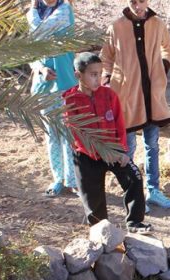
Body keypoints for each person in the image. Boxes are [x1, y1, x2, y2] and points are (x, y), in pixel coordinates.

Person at [100, 0, 170, 213]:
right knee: (129, 146)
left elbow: (168, 48)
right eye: (132, 2)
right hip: (126, 96)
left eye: (141, 1)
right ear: (126, 2)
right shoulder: (116, 27)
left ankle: (153, 191)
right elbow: (106, 57)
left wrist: (162, 69)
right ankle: (133, 193)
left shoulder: (157, 24)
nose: (138, 6)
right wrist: (108, 82)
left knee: (152, 144)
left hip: (152, 95)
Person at [63, 52, 151, 233]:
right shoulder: (70, 100)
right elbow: (77, 133)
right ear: (78, 75)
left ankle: (135, 222)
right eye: (93, 74)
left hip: (113, 150)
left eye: (100, 73)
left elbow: (119, 124)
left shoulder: (109, 95)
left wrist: (121, 151)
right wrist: (100, 151)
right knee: (93, 199)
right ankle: (101, 232)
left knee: (134, 177)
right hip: (86, 155)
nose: (98, 79)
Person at [27, 0, 79, 197]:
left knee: (68, 132)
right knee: (52, 133)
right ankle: (58, 178)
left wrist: (30, 12)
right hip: (44, 86)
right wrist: (40, 69)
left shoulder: (64, 11)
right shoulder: (37, 14)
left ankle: (72, 179)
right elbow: (31, 53)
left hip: (65, 82)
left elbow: (41, 31)